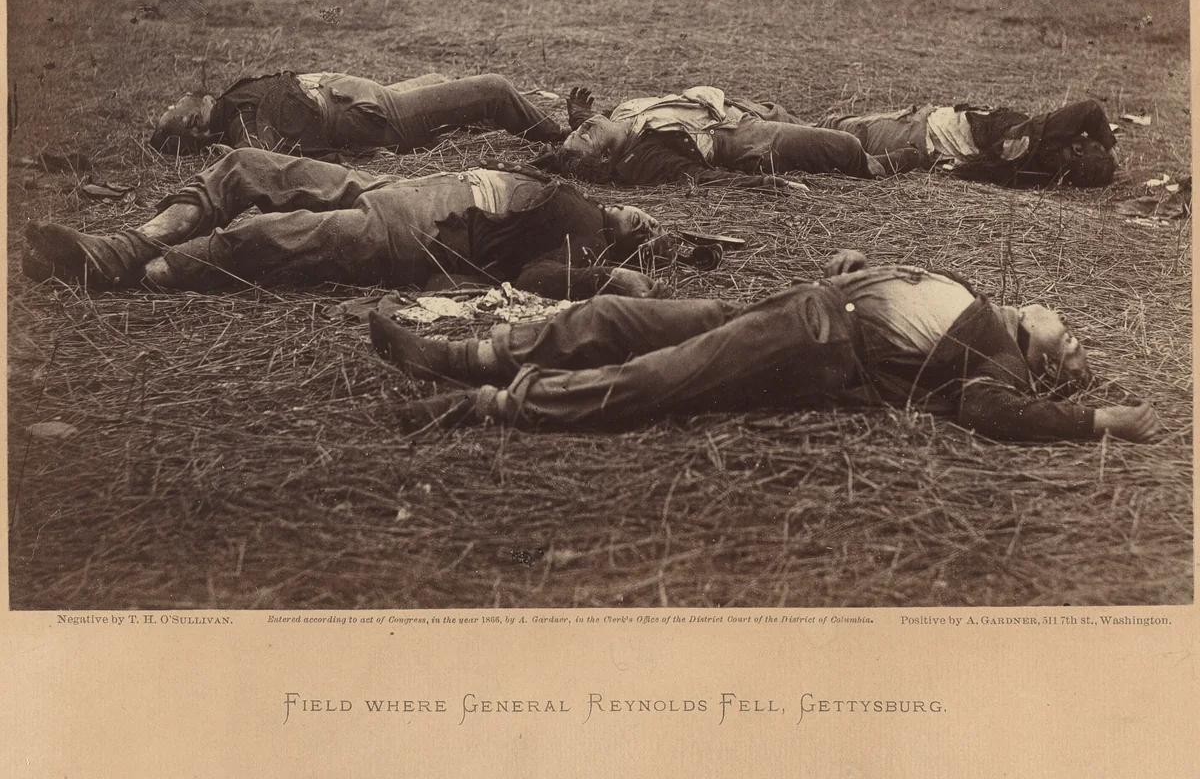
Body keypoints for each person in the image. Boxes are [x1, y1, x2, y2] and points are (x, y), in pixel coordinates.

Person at [369, 248, 1161, 444]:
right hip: (799, 305)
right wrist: (862, 263)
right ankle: (468, 353)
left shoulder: (1000, 356)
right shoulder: (980, 300)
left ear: (1045, 359)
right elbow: (904, 298)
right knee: (617, 315)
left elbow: (994, 411)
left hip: (815, 341)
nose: (1067, 319)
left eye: (1075, 339)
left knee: (659, 376)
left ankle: (485, 404)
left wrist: (1094, 423)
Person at [21, 148, 667, 299]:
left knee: (262, 240)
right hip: (400, 190)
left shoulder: (586, 241)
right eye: (645, 217)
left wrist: (612, 279)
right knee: (248, 166)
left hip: (413, 237)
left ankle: (121, 274)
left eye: (643, 230)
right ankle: (124, 243)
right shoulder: (571, 189)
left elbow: (536, 275)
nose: (643, 220)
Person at [536, 85, 920, 186]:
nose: (583, 128)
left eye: (580, 128)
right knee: (845, 146)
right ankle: (892, 163)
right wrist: (764, 185)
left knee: (835, 125)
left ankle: (874, 136)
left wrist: (582, 117)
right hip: (743, 136)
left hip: (739, 107)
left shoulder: (620, 114)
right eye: (585, 135)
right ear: (606, 158)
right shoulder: (644, 158)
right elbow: (704, 179)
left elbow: (593, 125)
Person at [150, 71, 565, 156]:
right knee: (494, 89)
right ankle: (562, 139)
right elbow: (257, 156)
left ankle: (491, 121)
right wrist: (227, 153)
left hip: (369, 98)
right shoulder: (234, 116)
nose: (177, 102)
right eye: (174, 112)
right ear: (194, 123)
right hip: (375, 113)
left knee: (437, 77)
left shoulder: (230, 103)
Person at [815, 99, 1117, 187]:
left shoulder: (1034, 134)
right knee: (831, 135)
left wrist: (1108, 146)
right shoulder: (1039, 172)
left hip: (916, 131)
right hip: (920, 140)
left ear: (1077, 147)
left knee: (830, 130)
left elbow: (1089, 109)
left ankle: (771, 119)